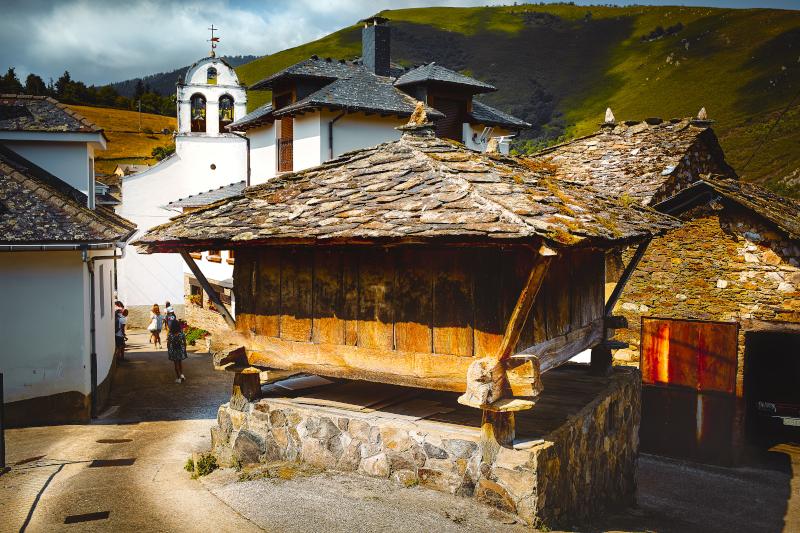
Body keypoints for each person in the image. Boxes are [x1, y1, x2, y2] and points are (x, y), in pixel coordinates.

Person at [166, 312, 187, 383]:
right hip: (180, 350)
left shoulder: (170, 335)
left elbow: (168, 343)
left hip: (174, 350)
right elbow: (184, 343)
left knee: (176, 365)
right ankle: (182, 375)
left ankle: (178, 378)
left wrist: (169, 350)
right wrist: (185, 350)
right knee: (180, 363)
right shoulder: (182, 334)